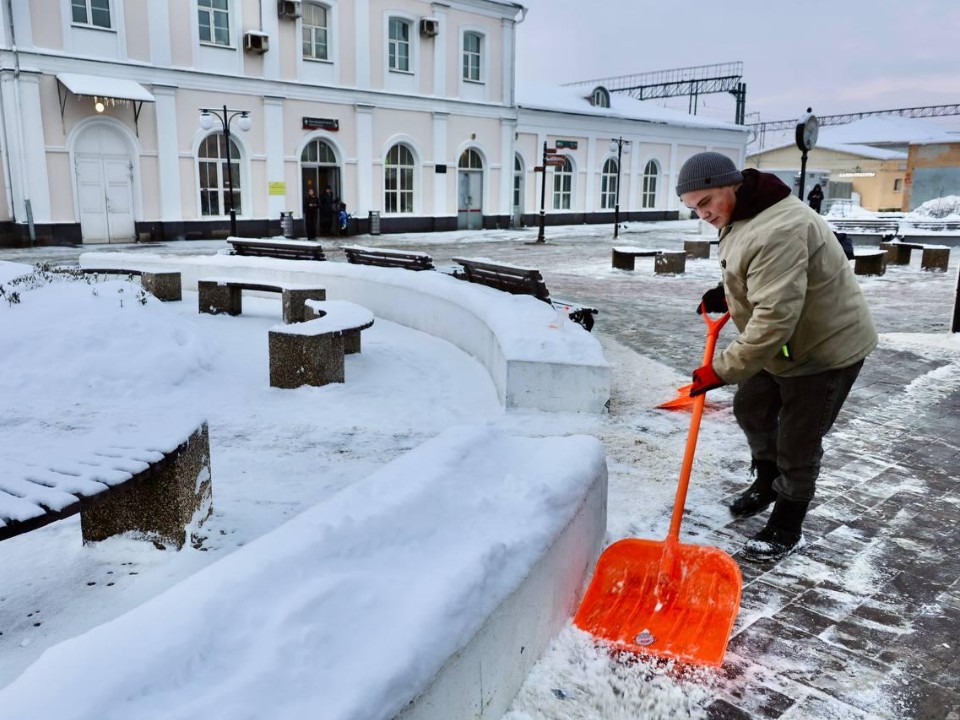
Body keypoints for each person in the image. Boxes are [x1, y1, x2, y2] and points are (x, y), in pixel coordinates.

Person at [676, 152, 877, 561]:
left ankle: (787, 525)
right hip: (784, 346)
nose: (703, 214)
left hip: (824, 350)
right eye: (694, 207)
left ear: (732, 184)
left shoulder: (780, 227)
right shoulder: (746, 211)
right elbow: (756, 269)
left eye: (707, 201)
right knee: (751, 409)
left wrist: (720, 370)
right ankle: (767, 481)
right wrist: (729, 290)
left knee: (798, 443)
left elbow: (774, 318)